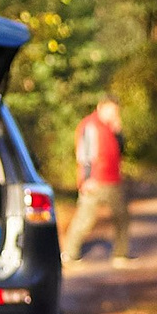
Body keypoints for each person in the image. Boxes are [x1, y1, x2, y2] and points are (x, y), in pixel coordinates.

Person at [64, 96, 130, 265]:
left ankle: (120, 255)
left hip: (113, 179)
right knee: (85, 219)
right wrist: (86, 179)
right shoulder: (90, 125)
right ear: (101, 107)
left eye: (115, 111)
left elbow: (120, 151)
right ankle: (70, 255)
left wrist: (118, 132)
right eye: (111, 110)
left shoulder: (111, 127)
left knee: (121, 217)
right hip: (95, 180)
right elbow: (84, 155)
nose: (113, 114)